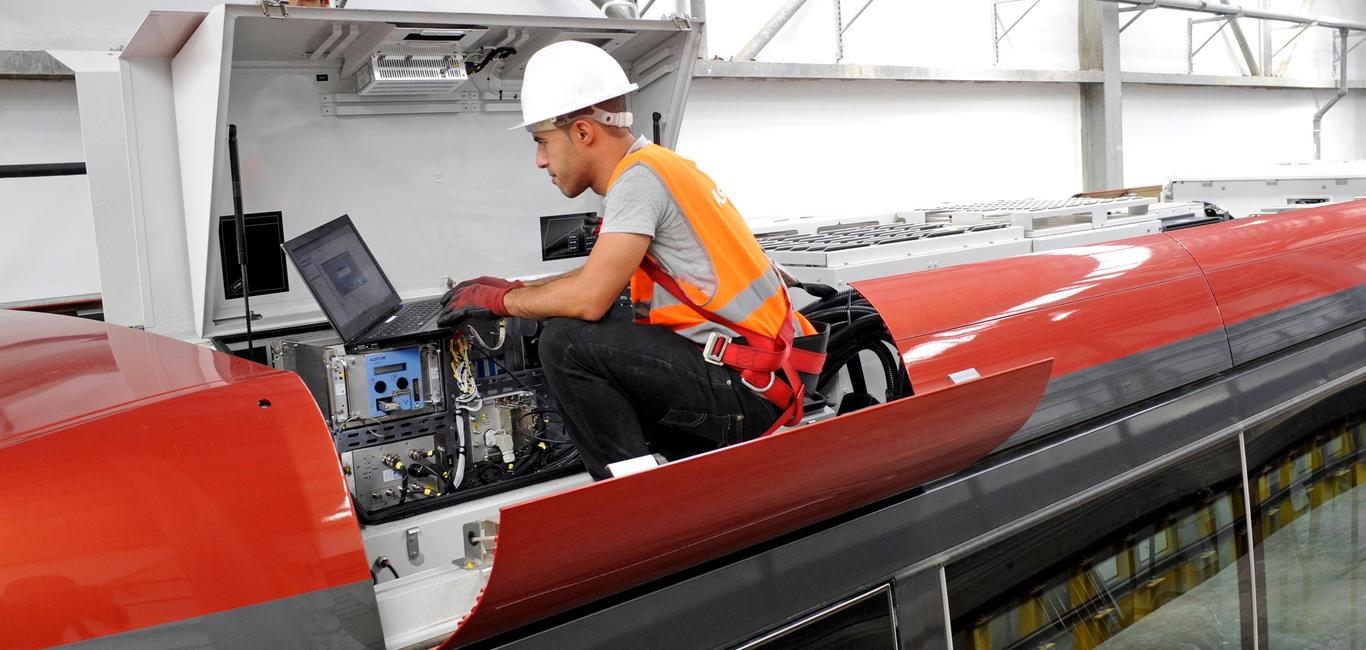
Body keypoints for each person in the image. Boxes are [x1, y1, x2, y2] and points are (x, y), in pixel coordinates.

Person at [439, 41, 825, 480]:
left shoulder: (637, 182)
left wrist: (501, 303)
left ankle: (629, 493)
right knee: (594, 320)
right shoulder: (659, 165)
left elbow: (588, 299)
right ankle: (646, 469)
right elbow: (602, 277)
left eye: (542, 142)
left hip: (748, 389)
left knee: (564, 341)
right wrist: (518, 289)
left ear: (583, 133)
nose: (540, 160)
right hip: (766, 372)